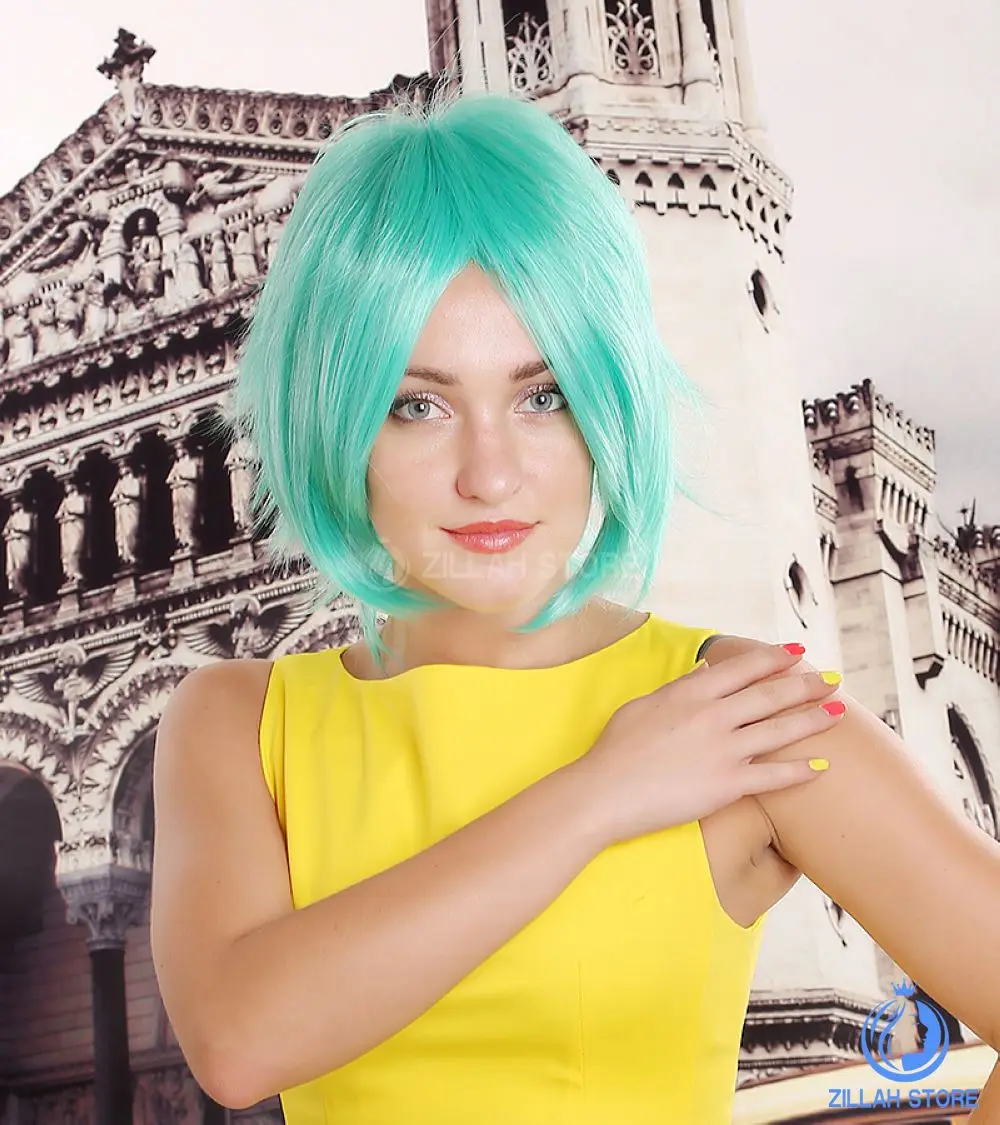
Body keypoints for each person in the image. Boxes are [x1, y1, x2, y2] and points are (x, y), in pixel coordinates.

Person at [150, 84, 1000, 1124]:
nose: (491, 473)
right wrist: (603, 791)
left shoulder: (742, 715)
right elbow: (238, 1040)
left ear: (607, 405)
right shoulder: (238, 722)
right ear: (334, 421)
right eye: (417, 405)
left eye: (542, 396)